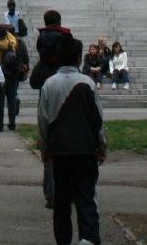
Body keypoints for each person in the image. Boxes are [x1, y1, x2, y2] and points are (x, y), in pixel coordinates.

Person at [39, 34, 106, 245]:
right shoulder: (87, 83)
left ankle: (63, 240)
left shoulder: (49, 84)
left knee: (61, 199)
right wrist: (101, 145)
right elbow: (97, 118)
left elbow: (43, 120)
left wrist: (44, 147)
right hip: (85, 149)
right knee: (86, 195)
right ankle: (88, 237)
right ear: (79, 58)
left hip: (59, 150)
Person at [0, 23, 28, 130]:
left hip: (0, 76)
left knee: (0, 101)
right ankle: (12, 123)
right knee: (11, 100)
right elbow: (23, 56)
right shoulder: (15, 43)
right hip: (12, 75)